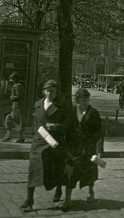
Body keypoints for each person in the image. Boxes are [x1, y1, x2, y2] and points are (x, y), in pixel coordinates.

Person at [21, 80, 72, 210]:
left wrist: (57, 126)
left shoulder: (62, 106)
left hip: (54, 142)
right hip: (39, 141)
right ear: (44, 91)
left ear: (56, 92)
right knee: (33, 167)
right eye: (47, 91)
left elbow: (69, 124)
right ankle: (29, 198)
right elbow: (36, 122)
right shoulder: (38, 105)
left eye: (53, 91)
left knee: (58, 168)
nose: (50, 93)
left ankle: (59, 189)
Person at [63, 88, 103, 209]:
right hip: (73, 148)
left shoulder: (93, 113)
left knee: (89, 171)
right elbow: (67, 130)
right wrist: (65, 146)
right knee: (70, 172)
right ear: (78, 100)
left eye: (87, 100)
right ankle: (67, 199)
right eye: (83, 100)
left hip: (88, 148)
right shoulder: (71, 112)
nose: (85, 102)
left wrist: (99, 150)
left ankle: (91, 192)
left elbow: (99, 132)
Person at [2, 72, 25, 143]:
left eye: (11, 79)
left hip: (17, 106)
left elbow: (19, 96)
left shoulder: (17, 86)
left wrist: (11, 97)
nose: (11, 81)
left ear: (14, 79)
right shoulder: (17, 85)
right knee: (9, 118)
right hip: (16, 106)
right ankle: (9, 135)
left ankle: (20, 137)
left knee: (17, 120)